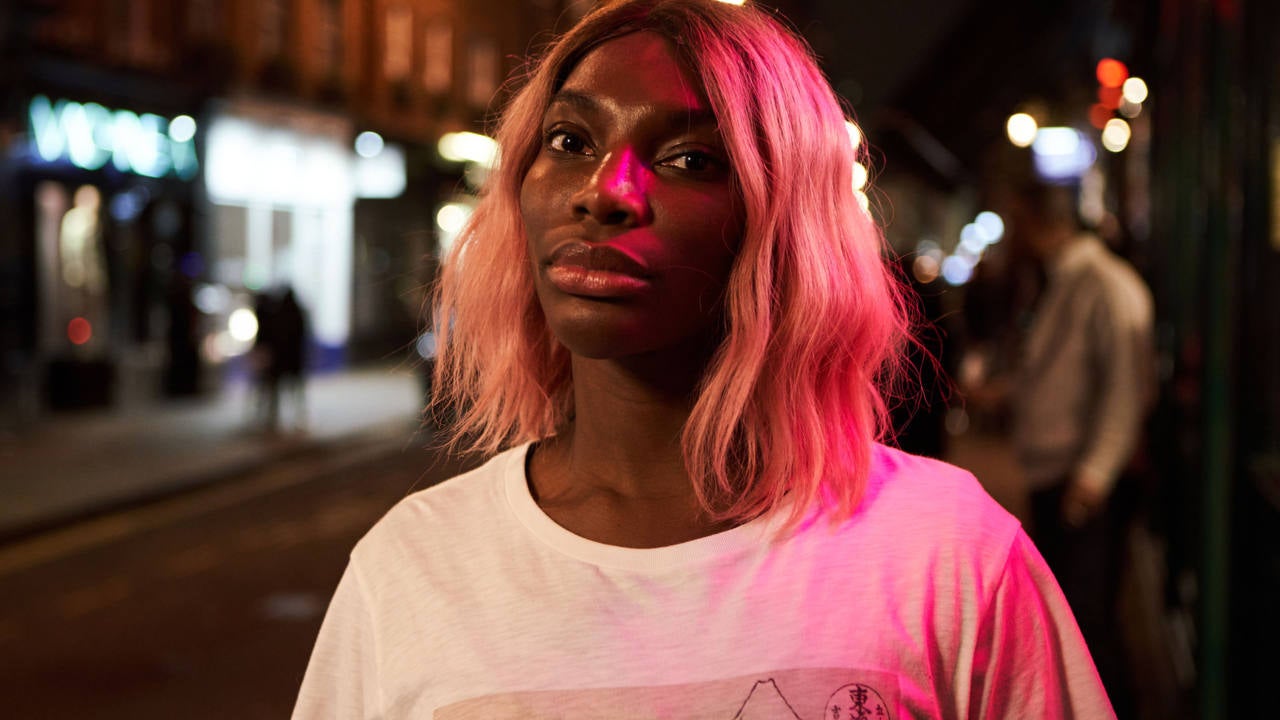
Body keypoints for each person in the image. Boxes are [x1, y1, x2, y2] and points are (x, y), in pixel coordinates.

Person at [293, 1, 1113, 717]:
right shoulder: (410, 569)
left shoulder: (949, 553)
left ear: (779, 225)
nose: (604, 190)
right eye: (570, 139)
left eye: (689, 159)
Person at [1003, 177, 1155, 717]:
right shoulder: (1068, 280)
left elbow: (1125, 389)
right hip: (1066, 477)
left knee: (1087, 624)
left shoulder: (1101, 285)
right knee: (1076, 620)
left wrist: (1092, 476)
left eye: (1015, 222)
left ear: (1038, 223)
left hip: (1081, 483)